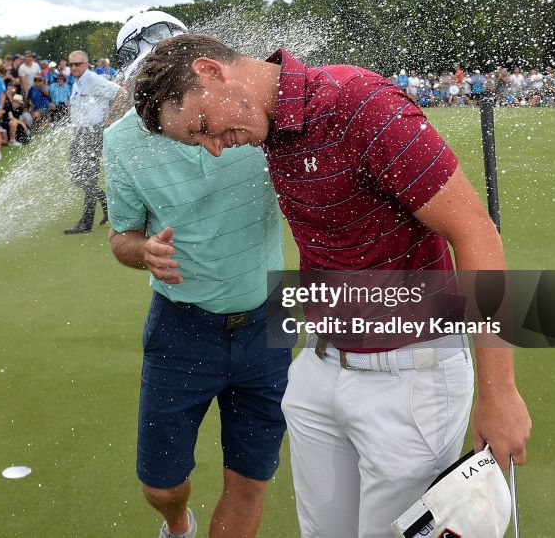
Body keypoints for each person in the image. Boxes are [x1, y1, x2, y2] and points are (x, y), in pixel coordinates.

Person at [132, 34, 531, 538]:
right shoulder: (271, 131)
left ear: (212, 71)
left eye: (204, 128)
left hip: (410, 378)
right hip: (319, 371)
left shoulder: (360, 102)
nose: (214, 148)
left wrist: (499, 392)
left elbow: (475, 234)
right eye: (198, 142)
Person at [104, 12, 289, 538]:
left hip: (267, 321)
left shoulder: (251, 116)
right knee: (161, 485)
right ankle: (177, 525)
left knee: (250, 481)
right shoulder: (121, 143)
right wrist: (144, 253)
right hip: (181, 327)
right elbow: (122, 237)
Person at [63, 50, 125, 234]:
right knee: (76, 175)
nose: (74, 67)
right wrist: (73, 135)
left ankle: (86, 222)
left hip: (93, 133)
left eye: (78, 64)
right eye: (71, 64)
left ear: (86, 64)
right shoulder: (76, 83)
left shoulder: (92, 79)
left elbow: (121, 92)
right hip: (80, 133)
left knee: (87, 177)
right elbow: (77, 112)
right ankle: (105, 202)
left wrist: (112, 116)